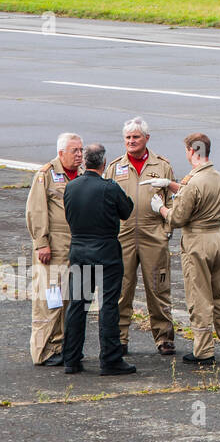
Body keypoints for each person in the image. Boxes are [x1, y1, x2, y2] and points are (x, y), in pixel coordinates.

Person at [155, 133, 220, 366]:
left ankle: (203, 350)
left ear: (192, 151)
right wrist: (173, 186)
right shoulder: (217, 177)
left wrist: (161, 209)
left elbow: (179, 217)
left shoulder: (193, 182)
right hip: (217, 238)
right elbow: (196, 194)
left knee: (199, 296)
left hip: (197, 242)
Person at [62, 143, 135, 376]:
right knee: (108, 305)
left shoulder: (71, 187)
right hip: (106, 251)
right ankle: (110, 358)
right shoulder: (110, 187)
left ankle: (71, 359)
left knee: (77, 305)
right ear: (104, 164)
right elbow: (127, 211)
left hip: (79, 249)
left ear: (85, 162)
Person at [107, 117, 176, 356]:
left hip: (153, 235)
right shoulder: (115, 167)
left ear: (146, 138)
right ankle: (120, 339)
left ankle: (164, 338)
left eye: (136, 137)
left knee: (158, 288)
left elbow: (171, 201)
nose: (131, 141)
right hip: (123, 235)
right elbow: (106, 202)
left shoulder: (162, 165)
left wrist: (166, 231)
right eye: (127, 137)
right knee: (121, 290)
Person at [25, 133, 82, 366]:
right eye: (74, 151)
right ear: (61, 153)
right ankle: (44, 351)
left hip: (73, 246)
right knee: (50, 300)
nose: (79, 155)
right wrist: (42, 243)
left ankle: (61, 345)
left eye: (81, 150)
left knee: (68, 299)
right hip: (52, 248)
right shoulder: (46, 174)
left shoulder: (81, 174)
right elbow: (36, 211)